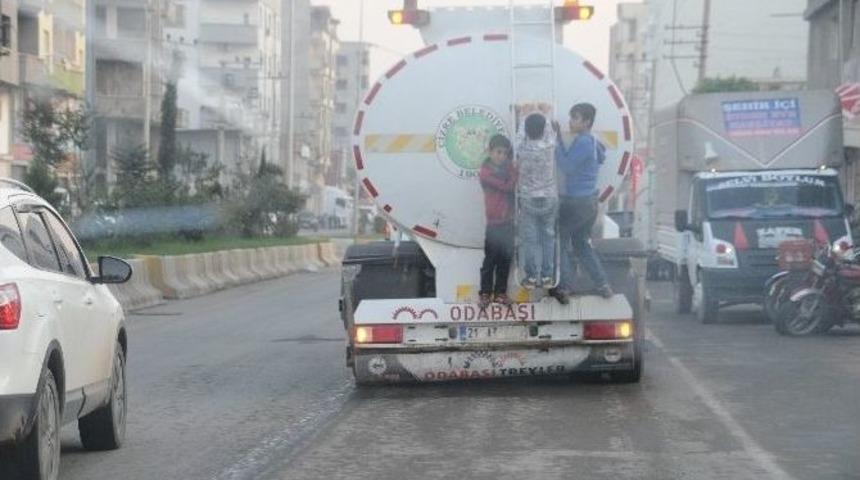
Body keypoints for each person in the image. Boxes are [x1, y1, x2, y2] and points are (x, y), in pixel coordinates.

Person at [550, 103, 614, 304]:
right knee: (581, 244)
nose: (570, 121)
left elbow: (567, 166)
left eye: (575, 118)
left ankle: (565, 287)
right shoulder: (593, 142)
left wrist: (555, 141)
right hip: (590, 203)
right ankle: (602, 284)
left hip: (576, 201)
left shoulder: (584, 142)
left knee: (561, 241)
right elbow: (599, 158)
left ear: (587, 122)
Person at [516, 112, 558, 289]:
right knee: (548, 237)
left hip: (528, 199)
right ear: (543, 130)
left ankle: (532, 277)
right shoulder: (550, 145)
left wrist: (522, 115)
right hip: (549, 198)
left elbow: (518, 135)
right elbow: (549, 129)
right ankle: (548, 277)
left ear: (526, 130)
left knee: (530, 239)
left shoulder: (522, 149)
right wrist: (544, 111)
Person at [478, 134, 517, 308]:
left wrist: (513, 170)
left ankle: (500, 293)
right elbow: (507, 186)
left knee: (505, 260)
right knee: (490, 260)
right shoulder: (485, 172)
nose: (501, 156)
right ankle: (485, 294)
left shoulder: (507, 169)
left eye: (505, 153)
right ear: (490, 151)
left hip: (508, 222)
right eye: (498, 152)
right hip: (494, 224)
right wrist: (516, 171)